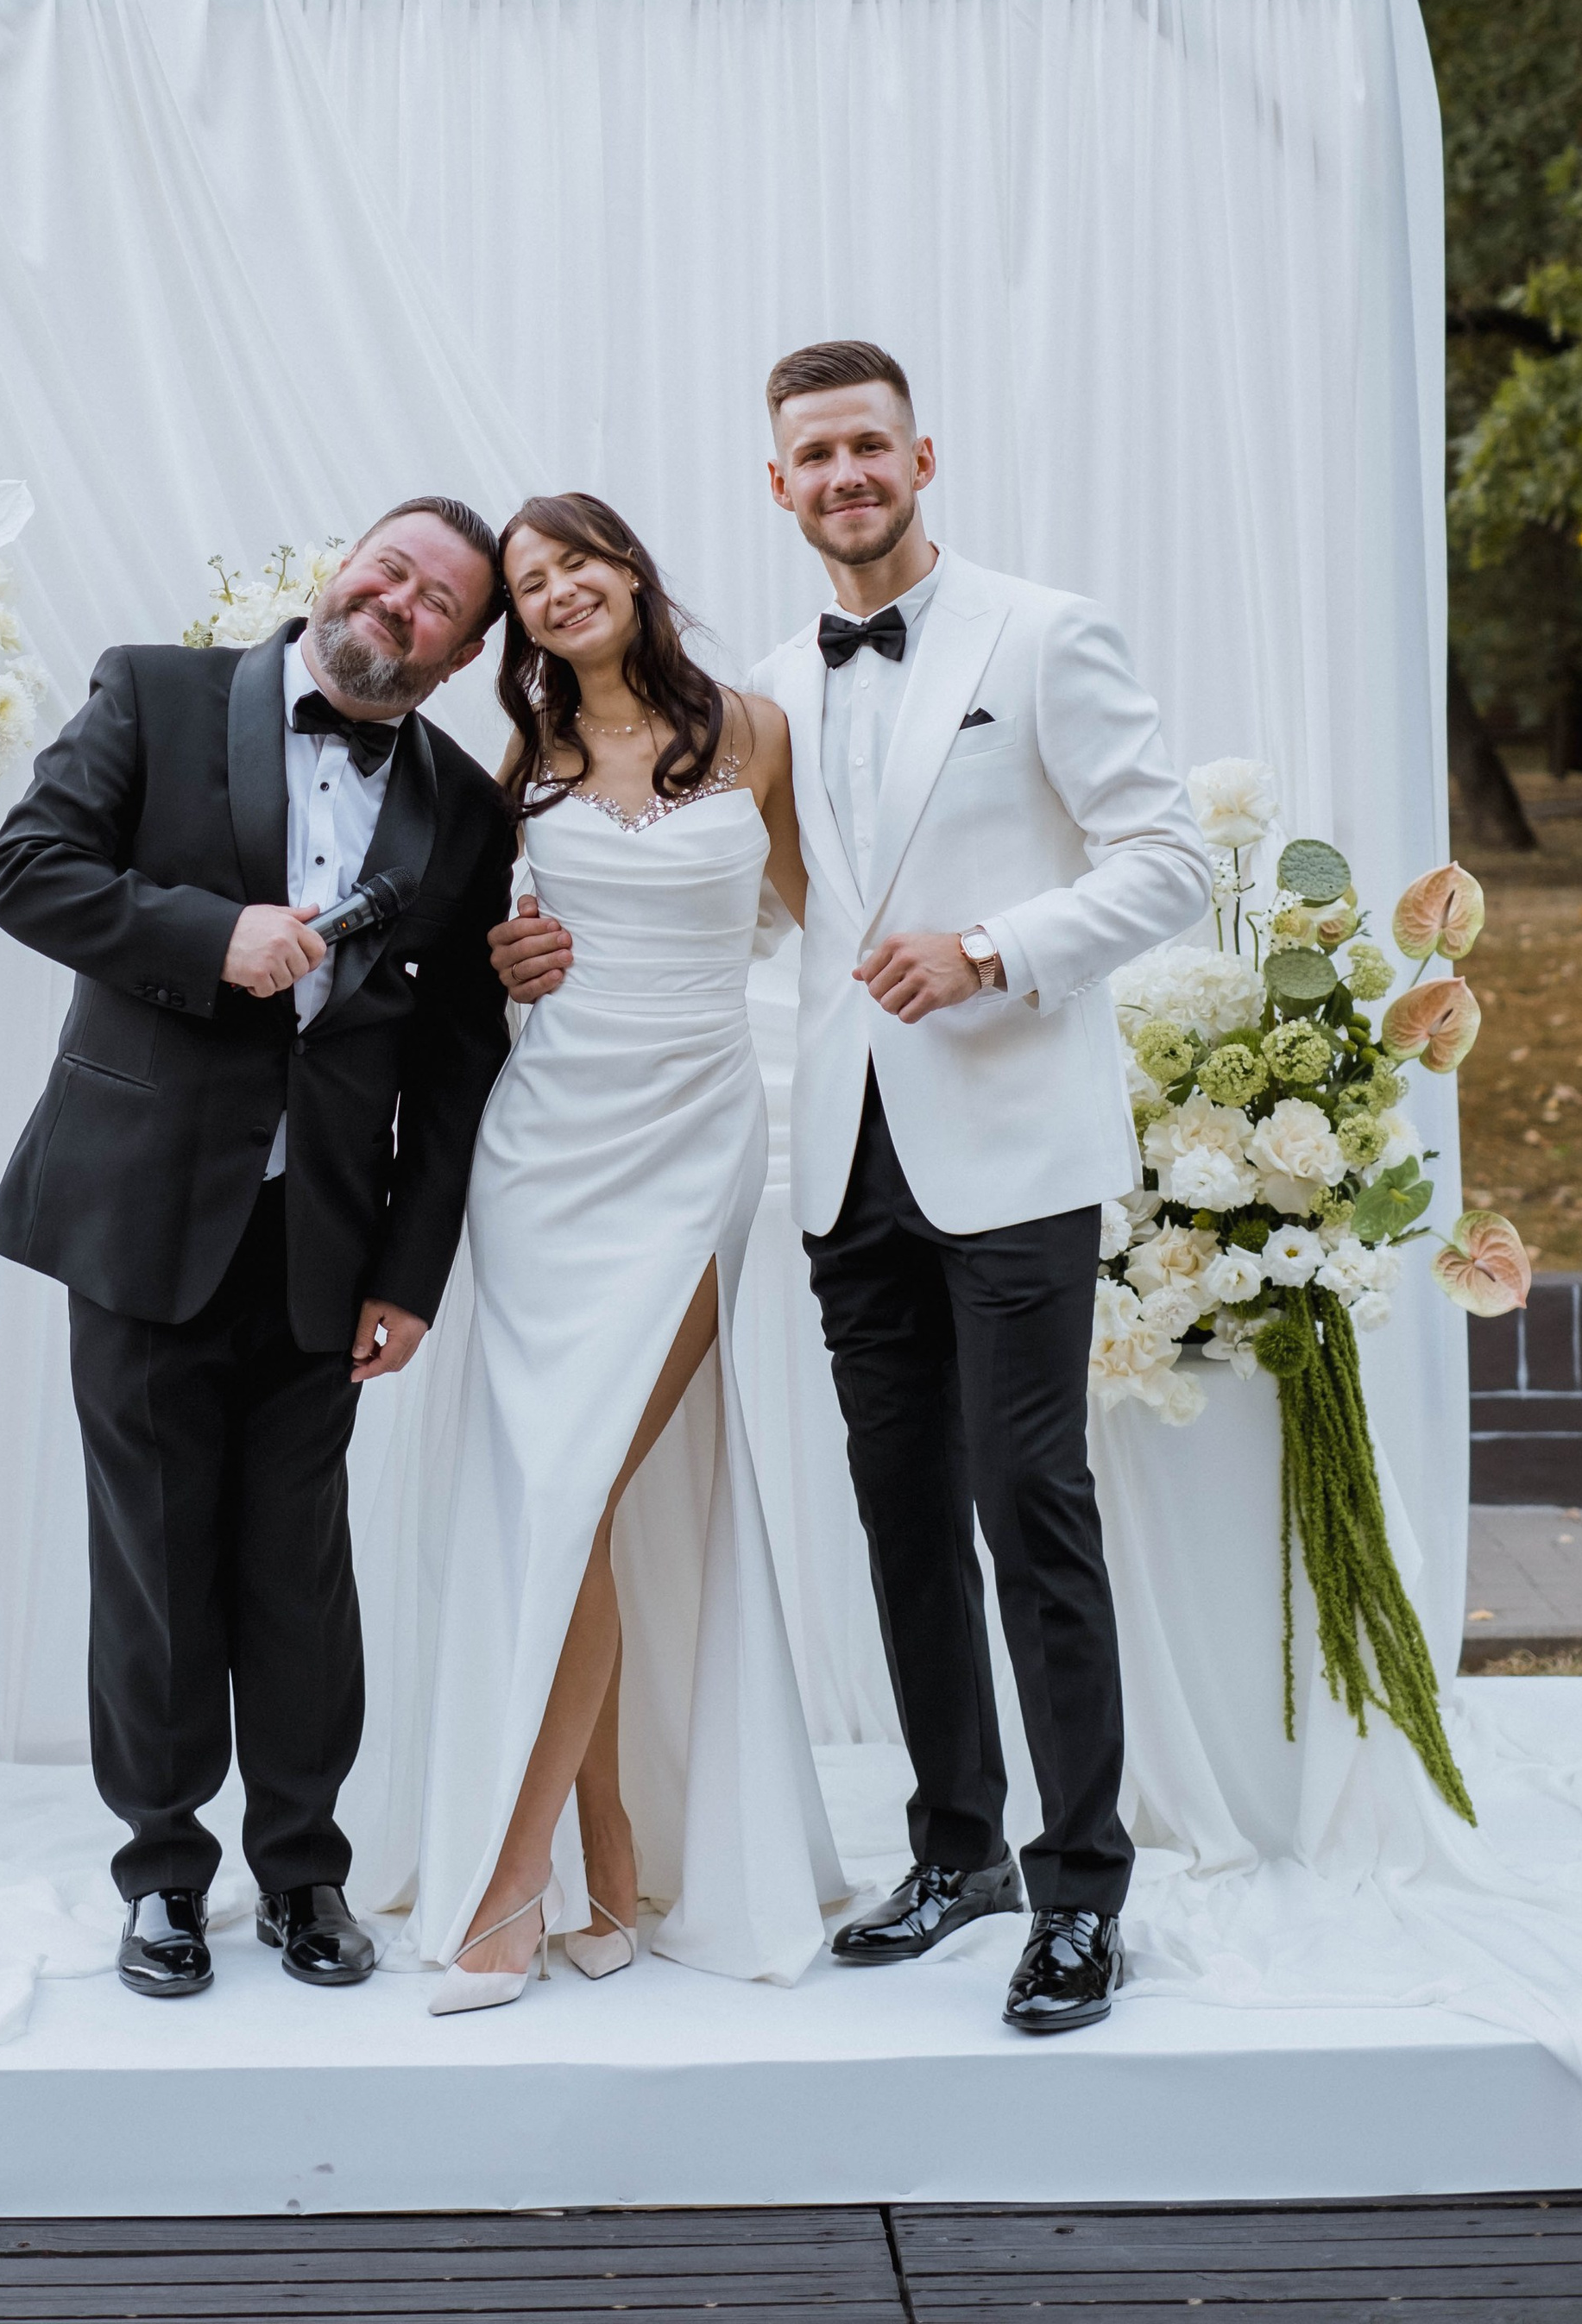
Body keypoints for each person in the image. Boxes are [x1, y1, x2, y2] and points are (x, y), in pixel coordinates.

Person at [491, 349, 1208, 2035]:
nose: (840, 472)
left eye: (864, 444)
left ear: (919, 456)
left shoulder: (1040, 634)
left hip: (1013, 1140)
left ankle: (1077, 1887)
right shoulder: (755, 690)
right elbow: (754, 909)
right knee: (894, 1518)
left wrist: (991, 951)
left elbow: (1167, 860)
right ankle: (951, 1843)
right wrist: (544, 948)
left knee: (1027, 1504)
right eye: (808, 452)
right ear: (775, 487)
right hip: (834, 1154)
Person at [0, 501, 514, 2001]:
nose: (397, 603)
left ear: (465, 653)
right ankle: (160, 1875)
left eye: (437, 604)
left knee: (299, 1570)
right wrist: (212, 932)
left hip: (325, 1248)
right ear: (341, 566)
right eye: (388, 568)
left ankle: (304, 1872)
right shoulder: (152, 690)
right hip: (141, 1213)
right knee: (152, 1555)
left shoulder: (469, 812)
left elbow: (455, 1065)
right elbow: (28, 870)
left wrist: (410, 1276)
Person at [388, 493, 843, 2014]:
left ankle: (515, 1891)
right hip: (544, 1160)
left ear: (633, 571)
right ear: (518, 626)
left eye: (579, 559)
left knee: (580, 1490)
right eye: (530, 584)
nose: (562, 589)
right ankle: (595, 1853)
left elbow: (821, 925)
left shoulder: (763, 735)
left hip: (695, 1148)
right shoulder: (524, 771)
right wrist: (508, 956)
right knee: (553, 1503)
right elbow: (474, 956)